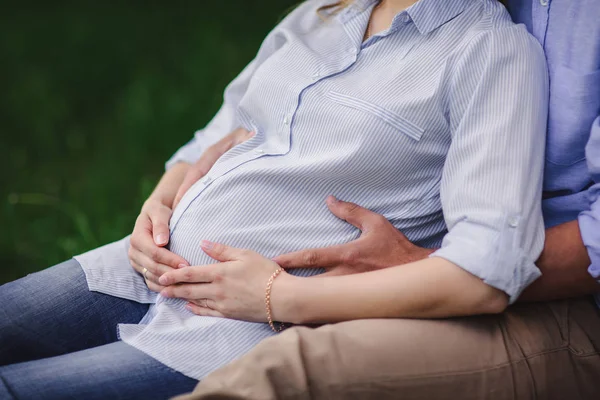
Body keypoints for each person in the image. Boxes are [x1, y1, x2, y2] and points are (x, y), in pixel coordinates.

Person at [0, 0, 549, 398]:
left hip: (241, 332)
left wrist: (274, 296)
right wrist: (160, 204)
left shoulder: (489, 50)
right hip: (136, 270)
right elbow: (217, 131)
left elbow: (487, 270)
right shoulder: (320, 13)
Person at [173, 0, 600, 399]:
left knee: (284, 369)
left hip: (568, 307)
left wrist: (431, 268)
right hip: (458, 262)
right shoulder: (347, 14)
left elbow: (489, 267)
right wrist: (168, 197)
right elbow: (229, 122)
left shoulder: (490, 40)